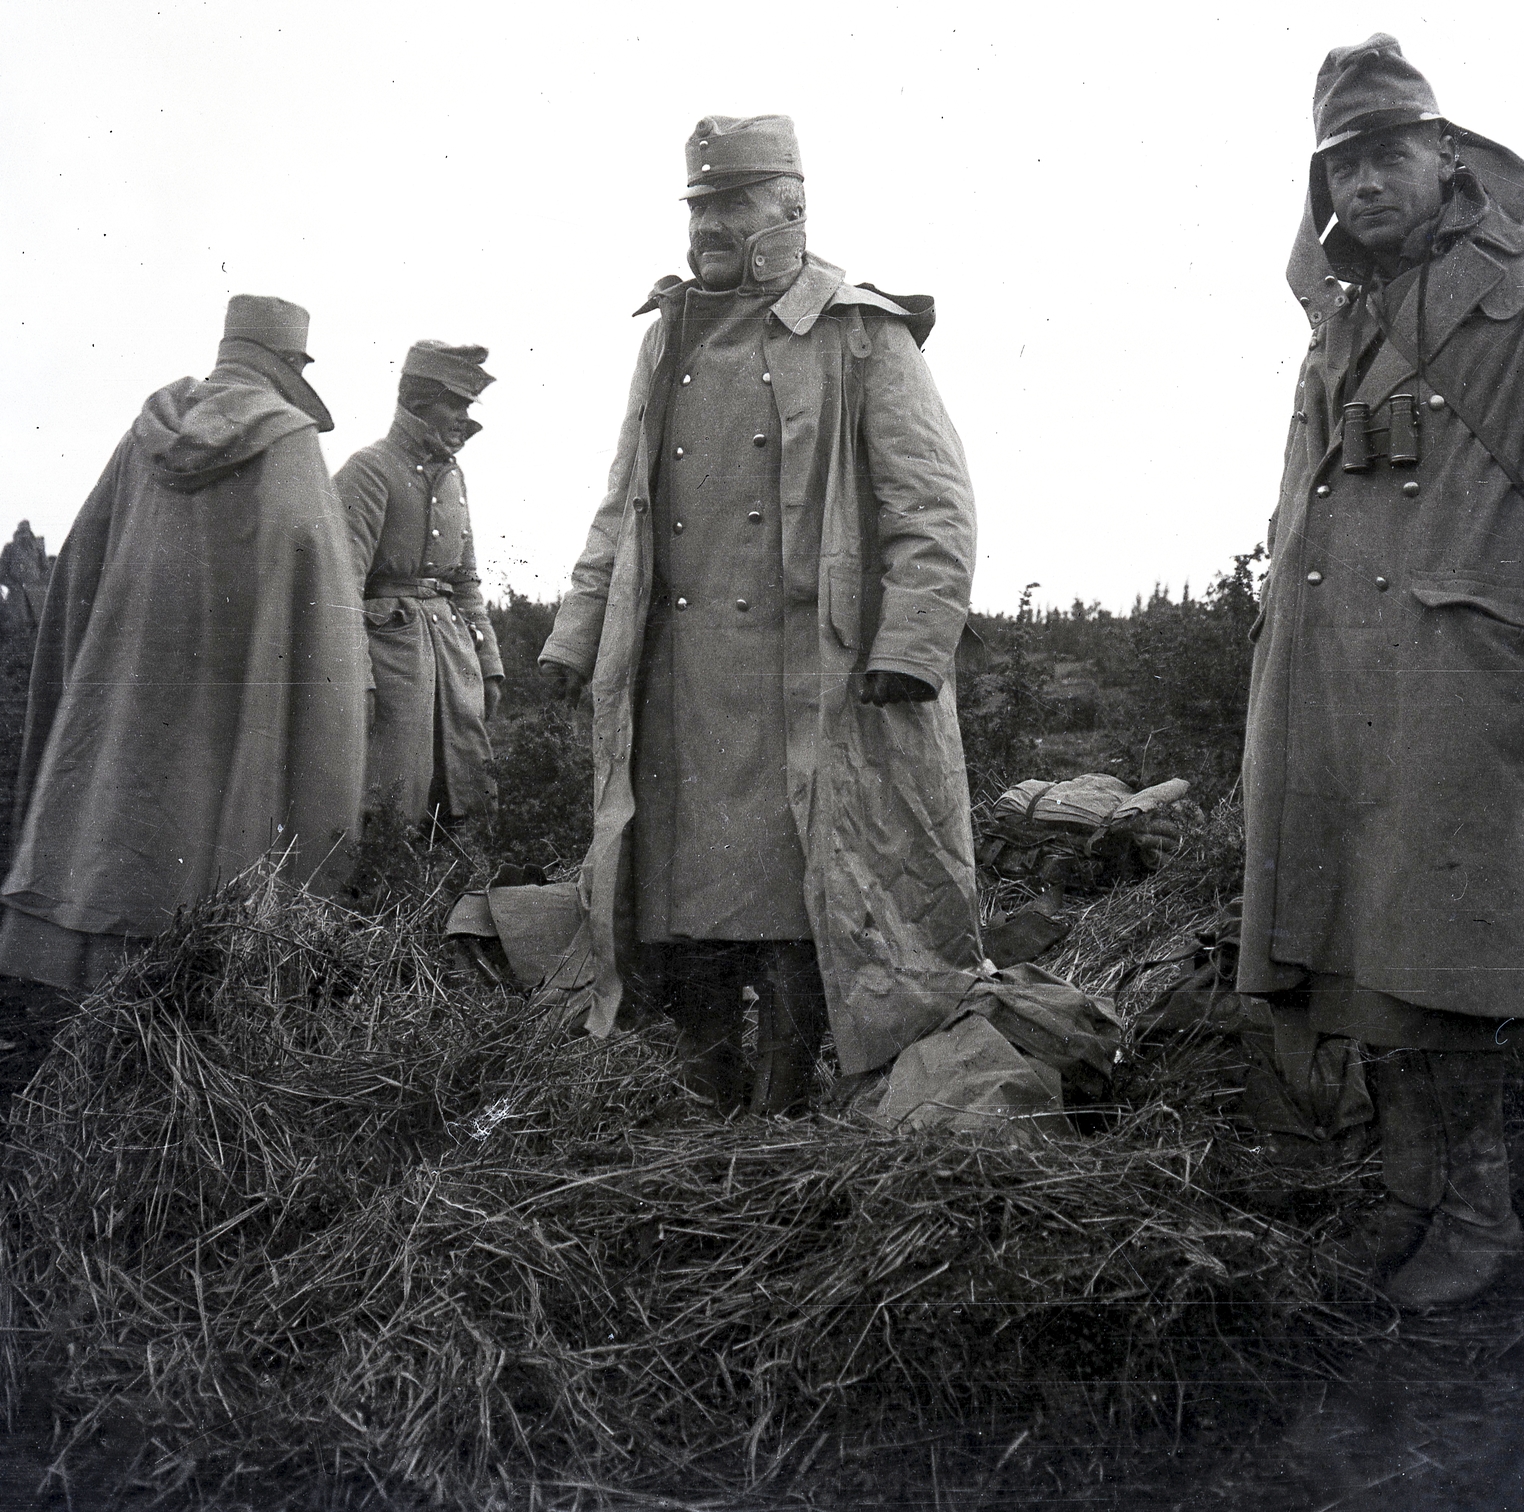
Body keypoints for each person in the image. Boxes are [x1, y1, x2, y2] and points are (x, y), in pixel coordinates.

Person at [1241, 35, 1524, 1308]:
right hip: (1336, 673)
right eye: (1339, 167)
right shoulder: (1340, 317)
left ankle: (1478, 1210)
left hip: (1466, 657)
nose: (1362, 187)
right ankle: (1405, 1197)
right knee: (1359, 948)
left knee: (1452, 952)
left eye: (1387, 153)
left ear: (1446, 156)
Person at [538, 114, 982, 1116]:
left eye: (732, 208)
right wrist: (577, 635)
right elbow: (624, 503)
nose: (711, 229)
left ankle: (783, 1100)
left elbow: (931, 501)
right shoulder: (667, 338)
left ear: (790, 209)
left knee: (793, 894)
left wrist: (910, 643)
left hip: (806, 678)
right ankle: (708, 1089)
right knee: (680, 894)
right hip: (679, 677)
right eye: (701, 208)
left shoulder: (859, 332)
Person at [0, 295, 367, 992]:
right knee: (207, 827)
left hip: (132, 673)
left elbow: (81, 557)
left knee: (128, 814)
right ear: (288, 365)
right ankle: (194, 999)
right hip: (232, 678)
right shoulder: (289, 441)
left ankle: (101, 991)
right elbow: (319, 587)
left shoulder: (145, 435)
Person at [335, 342, 502, 829]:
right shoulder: (368, 470)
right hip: (390, 662)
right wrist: (357, 679)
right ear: (419, 400)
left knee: (466, 788)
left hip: (452, 658)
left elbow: (465, 581)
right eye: (456, 403)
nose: (464, 418)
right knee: (389, 794)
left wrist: (488, 664)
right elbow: (341, 587)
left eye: (468, 406)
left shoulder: (454, 476)